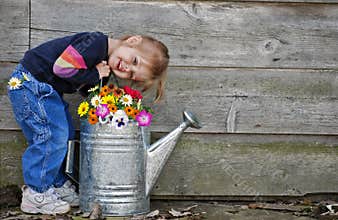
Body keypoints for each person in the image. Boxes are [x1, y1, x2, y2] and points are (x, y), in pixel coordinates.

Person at [7, 32, 169, 214]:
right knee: (51, 137)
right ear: (132, 41)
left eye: (132, 74)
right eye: (134, 61)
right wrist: (95, 74)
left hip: (47, 91)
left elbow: (86, 89)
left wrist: (108, 100)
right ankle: (36, 192)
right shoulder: (95, 43)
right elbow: (61, 68)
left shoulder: (104, 64)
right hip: (30, 83)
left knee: (65, 134)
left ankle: (56, 183)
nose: (126, 68)